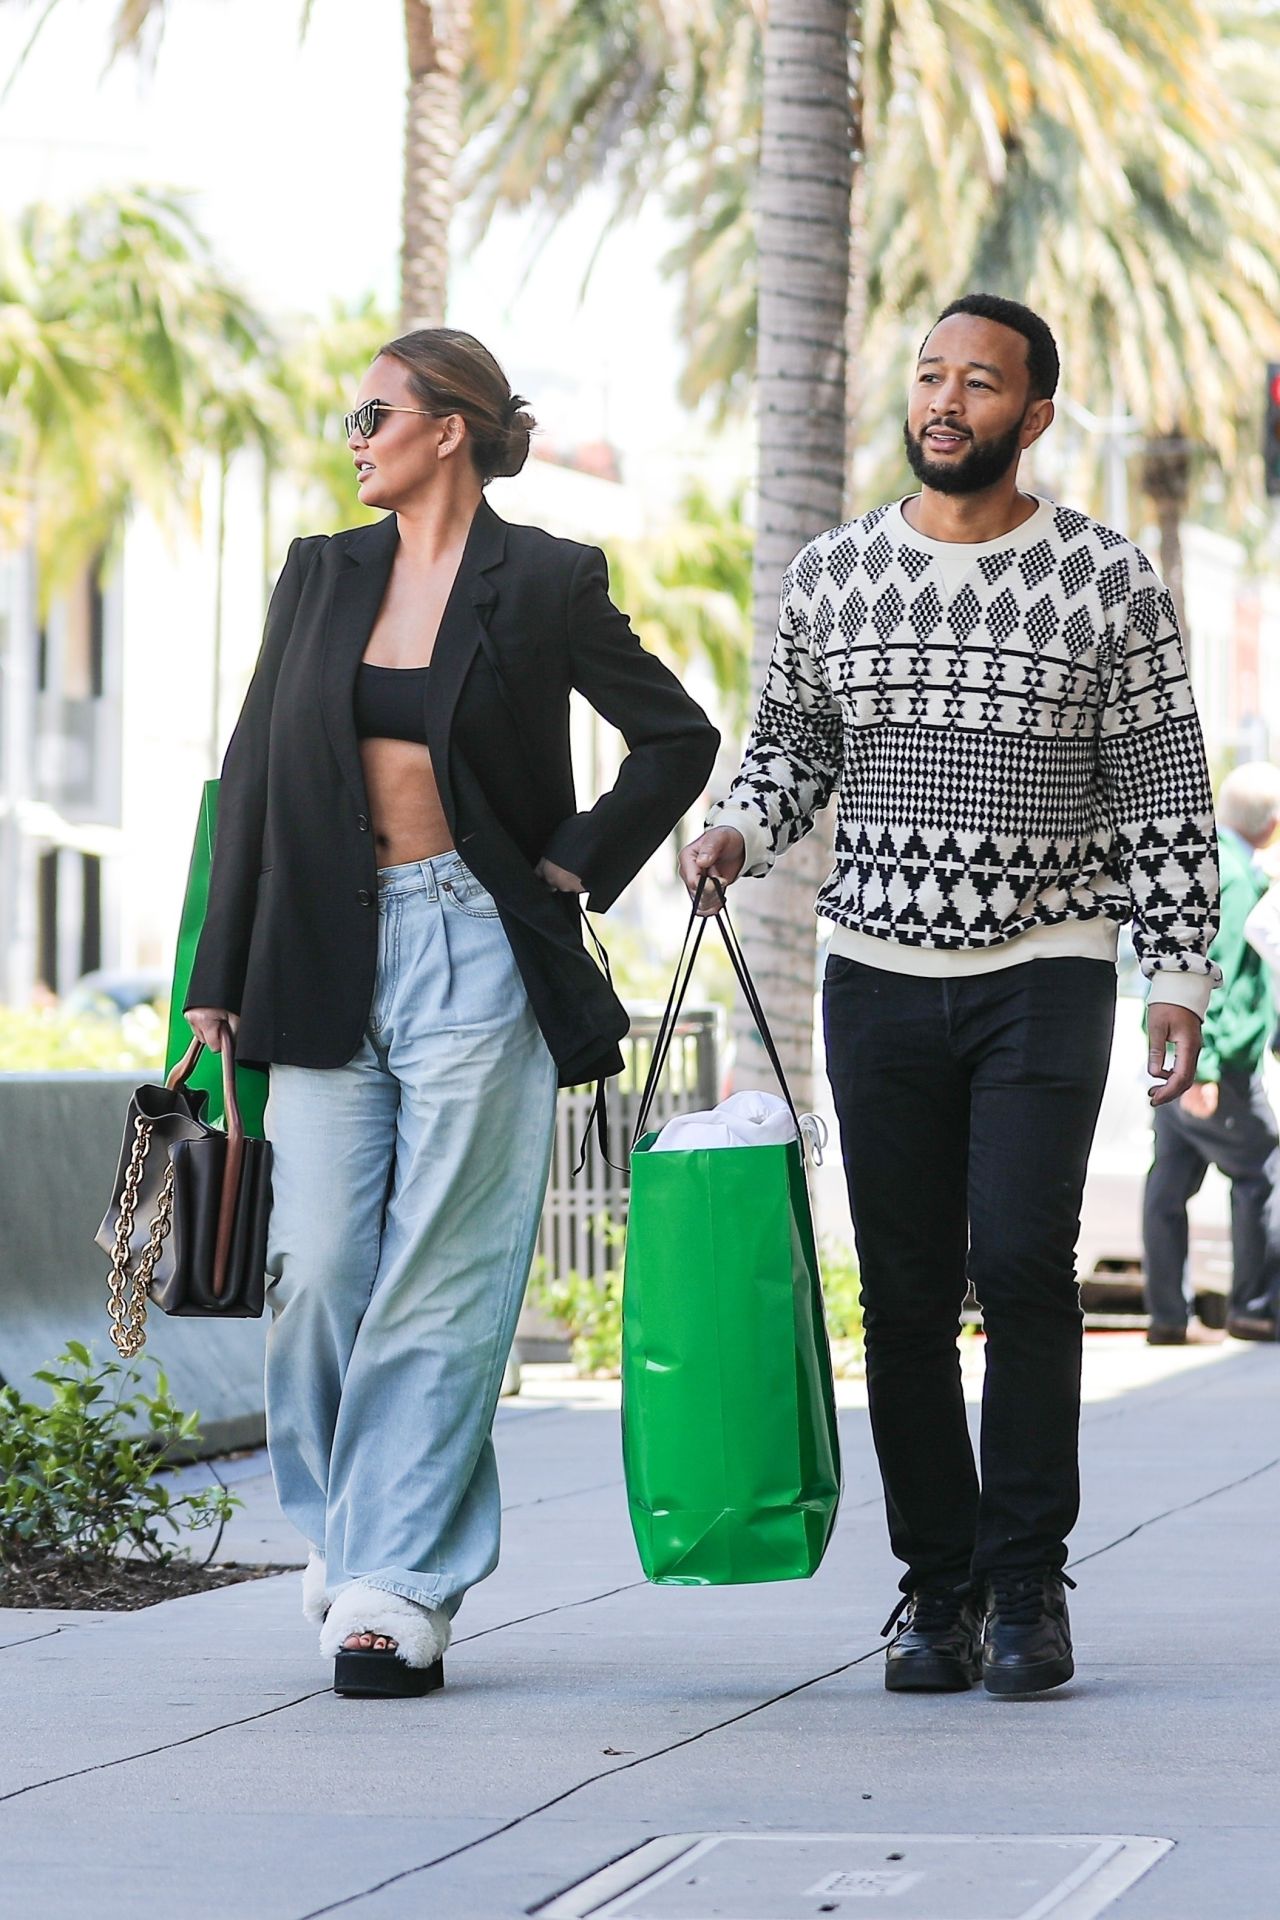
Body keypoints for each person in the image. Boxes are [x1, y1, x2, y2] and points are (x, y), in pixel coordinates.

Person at [680, 292, 1220, 1698]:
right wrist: (736, 827)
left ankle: (1029, 1582)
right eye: (930, 375)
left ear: (1033, 416)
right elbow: (789, 748)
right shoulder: (835, 574)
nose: (946, 400)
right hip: (877, 970)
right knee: (907, 1292)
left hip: (1047, 965)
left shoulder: (1110, 584)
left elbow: (1166, 789)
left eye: (980, 383)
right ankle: (938, 1587)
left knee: (1028, 1268)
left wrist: (1176, 974)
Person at [185, 328, 718, 1696]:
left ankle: (396, 1584)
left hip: (476, 944)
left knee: (447, 1275)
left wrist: (580, 861)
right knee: (313, 1273)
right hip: (320, 947)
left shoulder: (542, 580)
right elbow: (251, 777)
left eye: (373, 412)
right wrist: (214, 979)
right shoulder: (320, 574)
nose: (351, 434)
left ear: (449, 429)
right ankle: (347, 1529)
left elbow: (675, 737)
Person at [1143, 762, 1280, 1344]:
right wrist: (1204, 1068)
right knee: (1265, 1171)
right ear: (1273, 824)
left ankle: (1169, 1317)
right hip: (1215, 1063)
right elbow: (1216, 973)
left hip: (1186, 1058)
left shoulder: (1203, 860)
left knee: (1170, 1184)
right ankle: (1254, 1305)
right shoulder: (1240, 876)